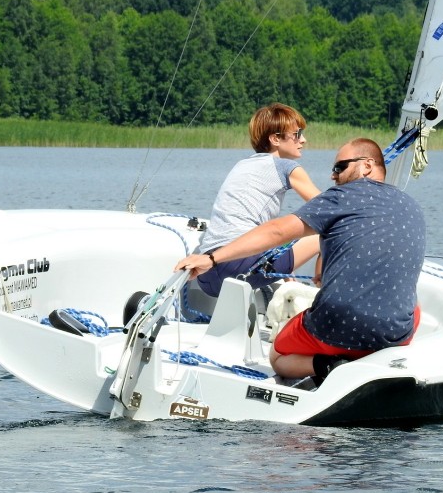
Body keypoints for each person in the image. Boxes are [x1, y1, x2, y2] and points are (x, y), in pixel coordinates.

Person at [175, 138, 426, 380]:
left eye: (340, 167)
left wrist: (212, 257)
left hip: (335, 328)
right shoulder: (412, 206)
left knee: (277, 354)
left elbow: (276, 231)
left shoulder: (340, 197)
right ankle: (367, 355)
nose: (333, 176)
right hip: (394, 333)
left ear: (367, 165)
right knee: (415, 309)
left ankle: (327, 365)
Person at [193, 103, 321, 298]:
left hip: (207, 277)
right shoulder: (287, 167)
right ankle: (323, 288)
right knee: (326, 229)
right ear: (275, 138)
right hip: (238, 268)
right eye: (297, 134)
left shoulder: (243, 165)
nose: (303, 140)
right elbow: (329, 208)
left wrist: (285, 268)